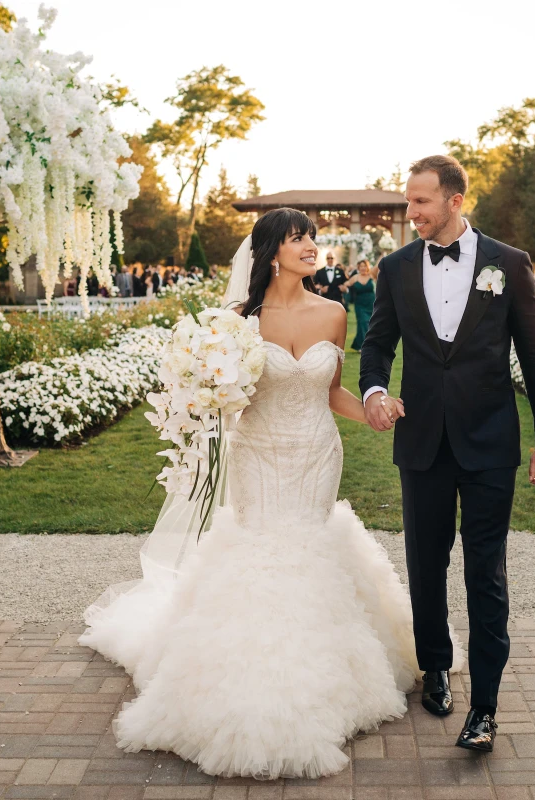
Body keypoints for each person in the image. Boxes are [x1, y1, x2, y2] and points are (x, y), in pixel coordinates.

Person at [80, 208, 435, 780]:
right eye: (299, 239)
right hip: (258, 453)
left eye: (313, 238)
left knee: (309, 547)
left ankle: (324, 673)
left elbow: (331, 392)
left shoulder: (335, 313)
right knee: (261, 548)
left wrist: (373, 408)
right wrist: (204, 393)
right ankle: (247, 675)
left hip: (317, 453)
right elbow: (221, 395)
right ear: (271, 251)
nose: (312, 247)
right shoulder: (235, 322)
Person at [359, 154, 535, 753]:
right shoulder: (395, 268)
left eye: (420, 202)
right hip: (421, 443)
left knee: (486, 573)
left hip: (490, 444)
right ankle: (436, 667)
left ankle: (486, 709)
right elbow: (377, 343)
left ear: (454, 201)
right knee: (425, 565)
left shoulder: (509, 264)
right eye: (408, 201)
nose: (410, 212)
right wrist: (373, 391)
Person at [341, 258, 376, 350]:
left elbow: (377, 266)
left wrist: (383, 252)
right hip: (360, 305)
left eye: (364, 266)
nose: (363, 268)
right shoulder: (355, 277)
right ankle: (364, 346)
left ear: (367, 267)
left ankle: (359, 343)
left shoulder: (371, 276)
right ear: (358, 268)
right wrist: (344, 288)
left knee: (370, 324)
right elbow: (346, 283)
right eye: (361, 266)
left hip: (371, 303)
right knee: (362, 322)